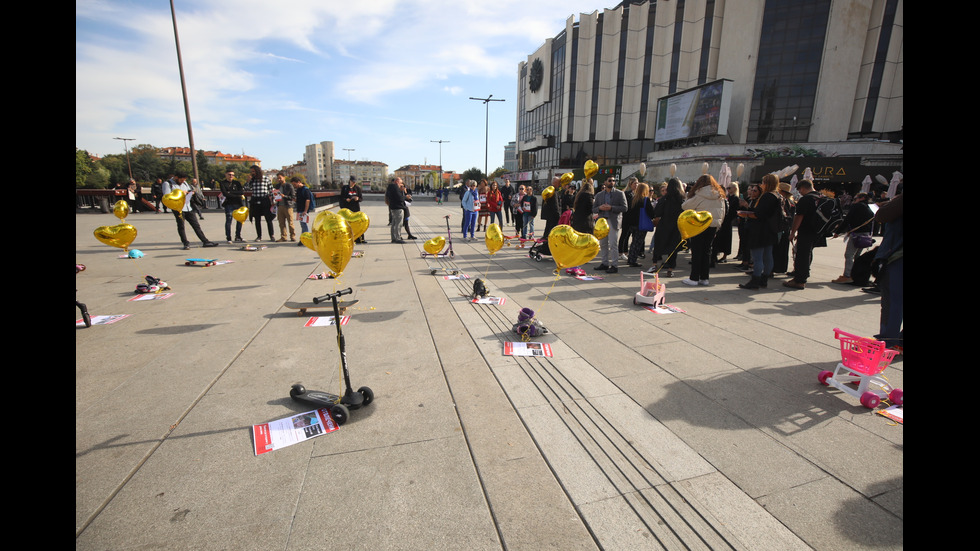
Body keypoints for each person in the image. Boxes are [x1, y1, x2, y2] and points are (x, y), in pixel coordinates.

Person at [681, 174, 727, 285]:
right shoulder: (720, 195)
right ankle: (704, 278)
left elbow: (685, 206)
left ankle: (694, 278)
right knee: (707, 251)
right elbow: (723, 212)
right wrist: (718, 225)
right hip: (713, 225)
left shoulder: (699, 194)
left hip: (700, 225)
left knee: (697, 251)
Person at [738, 175, 782, 289]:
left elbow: (758, 214)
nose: (761, 184)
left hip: (760, 230)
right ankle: (764, 279)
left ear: (767, 183)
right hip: (771, 229)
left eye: (763, 182)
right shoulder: (777, 195)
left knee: (758, 257)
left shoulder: (767, 196)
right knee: (768, 256)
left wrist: (746, 213)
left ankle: (755, 280)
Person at [784, 179, 828, 289]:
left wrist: (793, 232)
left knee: (802, 255)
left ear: (802, 188)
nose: (800, 193)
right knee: (808, 253)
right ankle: (804, 273)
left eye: (799, 190)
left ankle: (799, 280)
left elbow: (799, 217)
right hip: (818, 231)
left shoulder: (806, 199)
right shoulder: (822, 197)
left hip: (806, 230)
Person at [873, 191, 902, 351]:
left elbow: (882, 215)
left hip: (898, 257)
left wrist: (891, 203)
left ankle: (888, 341)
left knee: (892, 301)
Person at [162, 172, 219, 250]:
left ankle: (205, 241)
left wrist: (191, 192)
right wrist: (181, 193)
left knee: (196, 225)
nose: (182, 182)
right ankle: (185, 243)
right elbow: (166, 195)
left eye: (184, 180)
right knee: (181, 226)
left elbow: (189, 190)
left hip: (188, 207)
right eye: (181, 180)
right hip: (178, 208)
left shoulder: (185, 183)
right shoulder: (167, 184)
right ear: (176, 177)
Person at [832, 192, 875, 284]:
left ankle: (847, 275)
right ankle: (855, 275)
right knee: (857, 256)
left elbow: (847, 219)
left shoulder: (857, 207)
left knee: (849, 255)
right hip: (866, 234)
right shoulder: (870, 208)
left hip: (857, 234)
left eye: (855, 199)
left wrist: (838, 231)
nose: (854, 201)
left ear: (861, 198)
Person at [592, 176, 627, 273]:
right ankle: (604, 263)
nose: (612, 182)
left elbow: (625, 208)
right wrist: (600, 208)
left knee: (613, 244)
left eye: (614, 181)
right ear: (605, 182)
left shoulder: (620, 194)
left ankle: (614, 265)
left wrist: (611, 207)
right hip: (602, 222)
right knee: (603, 244)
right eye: (610, 181)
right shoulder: (599, 195)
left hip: (613, 221)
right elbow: (593, 209)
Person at [649, 178, 684, 277]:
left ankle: (654, 265)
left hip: (664, 225)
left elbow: (657, 212)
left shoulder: (664, 199)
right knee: (673, 248)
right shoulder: (681, 199)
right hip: (676, 226)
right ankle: (670, 269)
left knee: (658, 245)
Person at [566, 179, 595, 276]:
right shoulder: (589, 196)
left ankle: (572, 265)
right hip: (586, 223)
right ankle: (576, 266)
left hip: (577, 222)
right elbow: (591, 208)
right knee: (583, 245)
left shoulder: (578, 195)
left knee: (577, 244)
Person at [626, 183, 653, 267]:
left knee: (634, 242)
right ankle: (633, 260)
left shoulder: (633, 199)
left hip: (632, 224)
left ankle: (630, 258)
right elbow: (651, 213)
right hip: (641, 224)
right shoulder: (645, 200)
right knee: (638, 243)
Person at [246, 165, 275, 241]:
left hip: (264, 199)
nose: (252, 173)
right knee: (257, 219)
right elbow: (248, 188)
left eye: (253, 171)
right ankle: (259, 236)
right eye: (251, 171)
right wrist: (249, 181)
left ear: (257, 171)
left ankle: (271, 235)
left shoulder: (265, 178)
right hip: (255, 200)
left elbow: (271, 190)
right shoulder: (253, 179)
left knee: (268, 219)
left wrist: (273, 201)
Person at [713, 182, 740, 264]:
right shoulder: (728, 197)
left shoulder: (735, 198)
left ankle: (725, 255)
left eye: (729, 188)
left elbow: (733, 211)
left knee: (727, 239)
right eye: (727, 188)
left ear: (734, 189)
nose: (728, 189)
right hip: (723, 220)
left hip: (728, 221)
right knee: (720, 238)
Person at [772, 182, 796, 274]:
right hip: (787, 228)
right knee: (783, 249)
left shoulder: (783, 202)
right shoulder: (792, 202)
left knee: (776, 248)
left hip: (780, 227)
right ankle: (781, 268)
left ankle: (774, 268)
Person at [219, 170, 246, 243]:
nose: (231, 176)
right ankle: (228, 238)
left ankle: (238, 236)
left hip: (238, 203)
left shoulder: (236, 183)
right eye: (229, 174)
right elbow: (225, 194)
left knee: (239, 220)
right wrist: (236, 195)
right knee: (229, 221)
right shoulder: (223, 183)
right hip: (229, 204)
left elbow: (241, 192)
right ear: (226, 175)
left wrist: (230, 192)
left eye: (232, 175)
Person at [538, 178, 561, 255]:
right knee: (551, 232)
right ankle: (547, 248)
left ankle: (545, 247)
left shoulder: (549, 190)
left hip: (549, 215)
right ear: (555, 182)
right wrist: (559, 215)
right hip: (553, 216)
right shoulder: (553, 191)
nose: (559, 184)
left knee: (547, 231)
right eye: (558, 182)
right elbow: (555, 205)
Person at [618, 177, 639, 260]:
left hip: (633, 218)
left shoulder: (635, 194)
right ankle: (621, 252)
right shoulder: (627, 194)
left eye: (637, 183)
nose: (636, 185)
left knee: (630, 235)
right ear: (630, 184)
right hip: (627, 218)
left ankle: (626, 252)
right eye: (635, 183)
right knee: (624, 235)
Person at [273, 173, 296, 242]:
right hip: (280, 206)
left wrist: (284, 196)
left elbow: (293, 197)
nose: (279, 179)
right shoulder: (277, 186)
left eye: (280, 178)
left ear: (284, 177)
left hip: (288, 206)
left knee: (290, 222)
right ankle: (283, 237)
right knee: (281, 223)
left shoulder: (289, 185)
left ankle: (292, 236)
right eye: (278, 178)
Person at [385, 177, 407, 243]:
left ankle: (394, 238)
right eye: (400, 183)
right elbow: (399, 198)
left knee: (394, 223)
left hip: (393, 207)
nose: (401, 185)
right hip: (398, 207)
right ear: (397, 182)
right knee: (398, 224)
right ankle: (397, 238)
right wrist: (405, 196)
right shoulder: (395, 188)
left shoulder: (390, 188)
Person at [292, 176, 314, 244]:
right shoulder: (298, 190)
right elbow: (299, 200)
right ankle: (305, 239)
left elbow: (307, 200)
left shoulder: (305, 189)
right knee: (302, 224)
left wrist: (305, 211)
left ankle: (305, 239)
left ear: (299, 182)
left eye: (294, 184)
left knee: (303, 224)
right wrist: (293, 199)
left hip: (303, 210)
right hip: (300, 209)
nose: (294, 186)